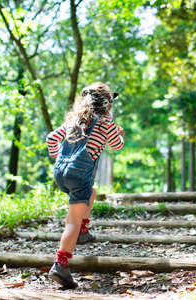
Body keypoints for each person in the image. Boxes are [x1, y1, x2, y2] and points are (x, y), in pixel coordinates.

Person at [45, 82, 124, 289]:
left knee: (91, 192)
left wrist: (57, 159)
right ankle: (60, 264)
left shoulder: (73, 120)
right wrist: (118, 133)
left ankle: (83, 230)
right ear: (107, 105)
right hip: (79, 174)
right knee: (72, 220)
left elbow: (52, 138)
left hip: (61, 173)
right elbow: (117, 145)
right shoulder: (106, 122)